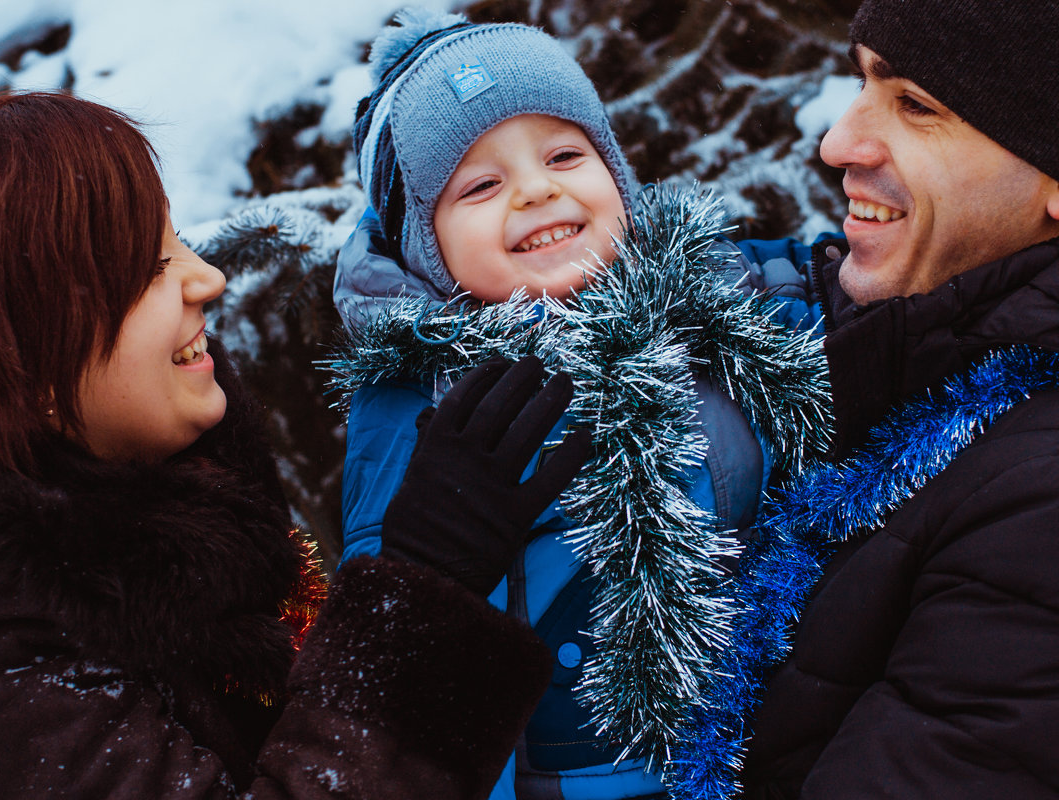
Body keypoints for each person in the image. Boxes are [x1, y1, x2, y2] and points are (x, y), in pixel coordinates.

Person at [0, 90, 594, 799]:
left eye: (177, 241)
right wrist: (421, 595)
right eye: (149, 269)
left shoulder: (142, 505)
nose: (207, 279)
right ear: (22, 362)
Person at [326, 11, 832, 800]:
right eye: (481, 185)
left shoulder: (717, 302)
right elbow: (406, 670)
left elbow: (840, 308)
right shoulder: (417, 403)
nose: (537, 189)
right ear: (425, 244)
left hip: (775, 744)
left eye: (566, 154)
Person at [723, 1, 1059, 797]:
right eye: (863, 79)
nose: (837, 142)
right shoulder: (876, 339)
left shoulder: (1039, 499)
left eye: (917, 105)